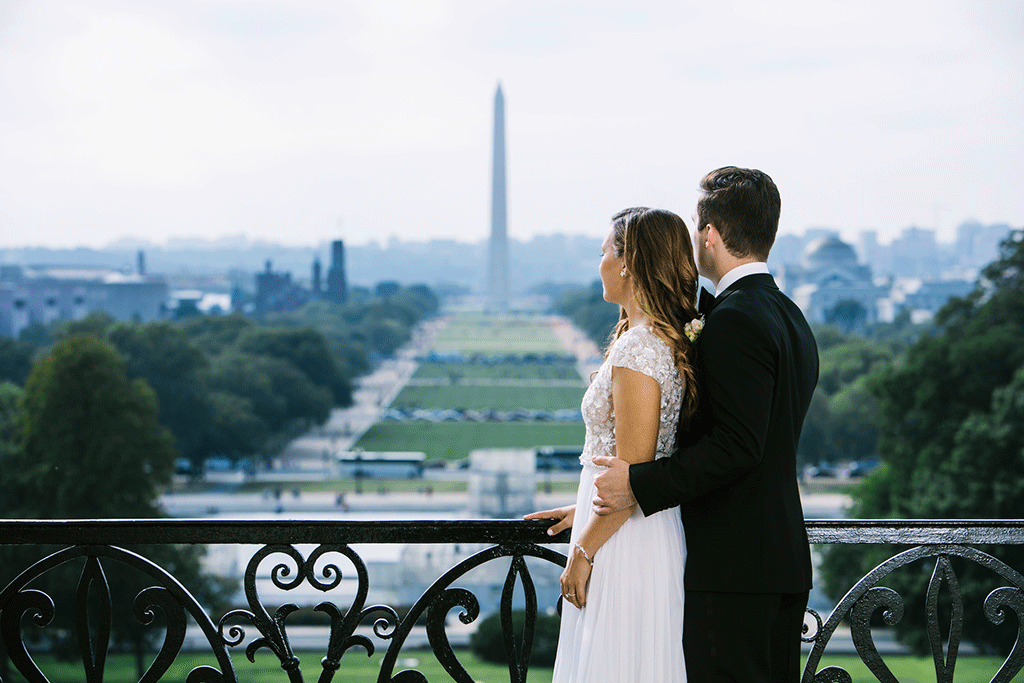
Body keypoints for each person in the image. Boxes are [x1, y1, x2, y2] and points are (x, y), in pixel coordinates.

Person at [592, 167, 820, 683]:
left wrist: (635, 484)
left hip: (734, 569)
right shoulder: (790, 315)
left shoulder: (735, 319)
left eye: (698, 228)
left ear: (711, 235)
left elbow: (738, 446)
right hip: (778, 559)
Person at [525, 206, 701, 683]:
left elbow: (633, 477)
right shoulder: (655, 341)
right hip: (630, 528)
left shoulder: (638, 347)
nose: (599, 263)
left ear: (629, 262)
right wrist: (582, 507)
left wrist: (582, 551)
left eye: (604, 252)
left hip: (623, 541)